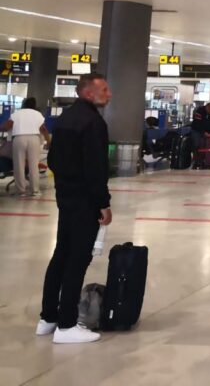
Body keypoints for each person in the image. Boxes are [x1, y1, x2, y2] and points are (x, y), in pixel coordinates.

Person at [38, 73, 112, 344]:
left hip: (65, 197)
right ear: (88, 93)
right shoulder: (94, 123)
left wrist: (67, 185)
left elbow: (54, 159)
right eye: (104, 89)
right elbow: (96, 168)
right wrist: (103, 202)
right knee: (77, 259)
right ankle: (67, 325)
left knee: (61, 255)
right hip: (85, 201)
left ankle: (48, 318)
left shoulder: (65, 119)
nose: (109, 94)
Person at [3, 96, 50, 198]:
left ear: (23, 104)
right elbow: (43, 129)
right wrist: (49, 141)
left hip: (19, 138)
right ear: (34, 105)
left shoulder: (16, 114)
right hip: (34, 139)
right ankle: (35, 191)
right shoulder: (38, 114)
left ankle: (20, 191)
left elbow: (7, 126)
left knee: (19, 165)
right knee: (33, 165)